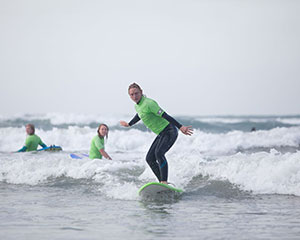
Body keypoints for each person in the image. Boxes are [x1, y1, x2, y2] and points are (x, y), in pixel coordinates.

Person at [120, 83, 193, 184]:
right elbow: (139, 114)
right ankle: (162, 183)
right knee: (149, 158)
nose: (134, 96)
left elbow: (165, 115)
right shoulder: (138, 106)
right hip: (161, 133)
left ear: (141, 91)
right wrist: (129, 124)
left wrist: (180, 127)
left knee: (159, 153)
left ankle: (164, 182)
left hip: (169, 131)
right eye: (131, 95)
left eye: (136, 93)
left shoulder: (149, 103)